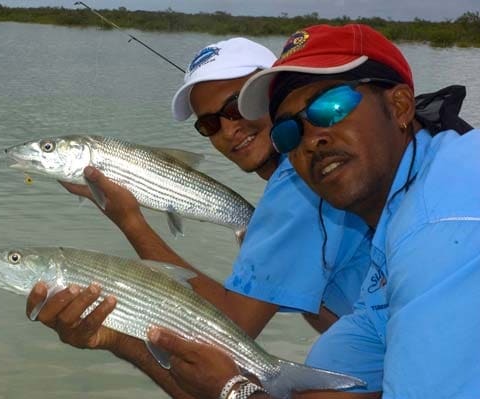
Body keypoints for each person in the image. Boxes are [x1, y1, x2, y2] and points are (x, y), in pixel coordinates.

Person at [147, 23, 480, 399]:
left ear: (400, 105)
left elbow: (231, 324)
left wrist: (231, 391)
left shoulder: (440, 230)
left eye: (331, 107)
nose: (311, 140)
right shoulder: (393, 231)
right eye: (289, 131)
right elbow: (326, 380)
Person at [25, 37, 371, 397]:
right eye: (208, 124)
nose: (227, 129)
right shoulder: (304, 180)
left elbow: (228, 325)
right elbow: (323, 316)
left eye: (237, 107)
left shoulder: (297, 186)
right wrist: (113, 335)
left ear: (275, 91)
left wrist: (129, 220)